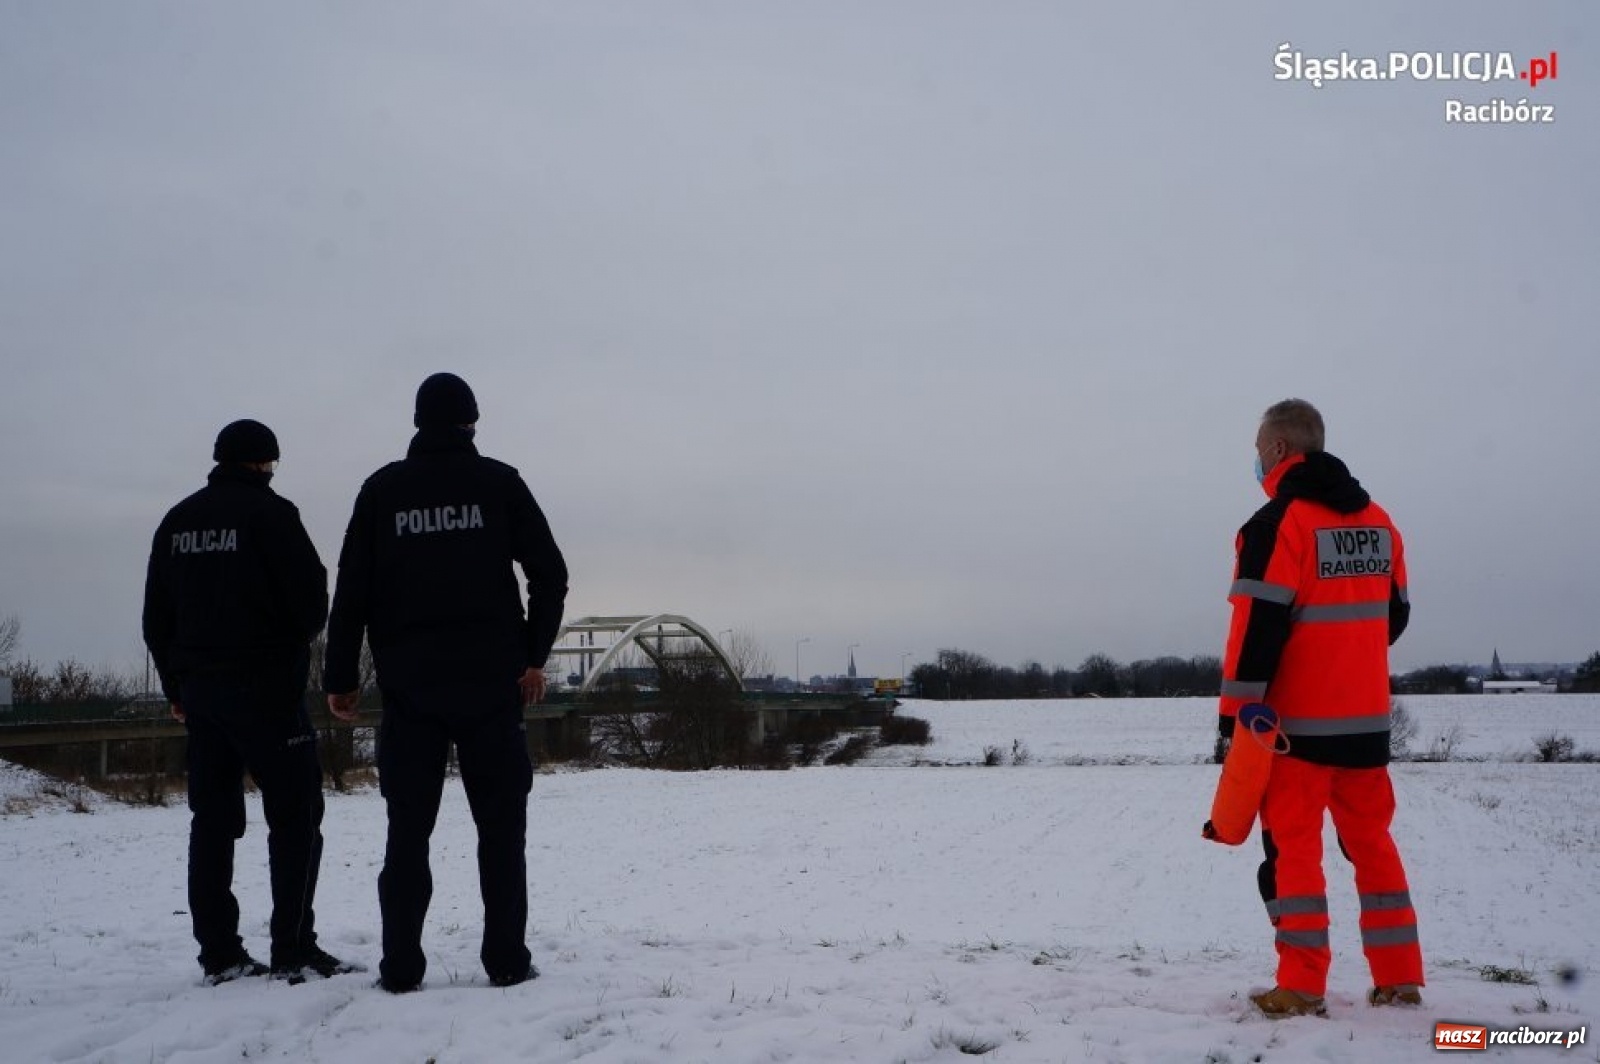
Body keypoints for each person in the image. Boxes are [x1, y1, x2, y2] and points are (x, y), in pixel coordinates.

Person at [324, 372, 568, 993]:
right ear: (471, 422)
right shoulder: (500, 484)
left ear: (417, 423)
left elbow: (351, 590)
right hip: (493, 688)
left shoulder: (382, 490)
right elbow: (551, 574)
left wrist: (341, 676)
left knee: (407, 835)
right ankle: (507, 961)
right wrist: (534, 656)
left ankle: (401, 968)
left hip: (410, 692)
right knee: (500, 832)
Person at [1217, 399, 1423, 1017]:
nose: (1255, 458)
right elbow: (1396, 617)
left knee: (1295, 858)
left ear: (1280, 450)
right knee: (1375, 849)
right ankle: (1399, 980)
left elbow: (1255, 631)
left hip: (1294, 733)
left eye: (1259, 446)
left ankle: (1302, 986)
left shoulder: (1278, 524)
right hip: (1366, 728)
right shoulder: (1381, 522)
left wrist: (1235, 721)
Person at [142, 419, 359, 985]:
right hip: (265, 691)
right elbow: (313, 601)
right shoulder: (272, 515)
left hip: (202, 697)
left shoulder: (177, 522)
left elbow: (155, 619)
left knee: (211, 823)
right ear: (265, 463)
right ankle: (292, 947)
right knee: (296, 815)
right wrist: (282, 646)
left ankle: (219, 954)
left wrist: (176, 686)